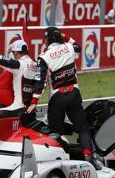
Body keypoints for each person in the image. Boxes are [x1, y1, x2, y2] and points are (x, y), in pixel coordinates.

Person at [27, 27, 103, 170]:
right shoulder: (69, 47)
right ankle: (88, 157)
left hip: (57, 97)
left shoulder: (44, 56)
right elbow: (79, 47)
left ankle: (63, 163)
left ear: (47, 40)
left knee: (55, 132)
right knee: (83, 128)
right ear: (59, 37)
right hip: (74, 93)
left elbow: (40, 81)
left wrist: (34, 102)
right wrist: (66, 36)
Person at [0, 31, 38, 118]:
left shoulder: (18, 65)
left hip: (17, 109)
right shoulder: (36, 66)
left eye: (13, 54)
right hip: (30, 109)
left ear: (16, 53)